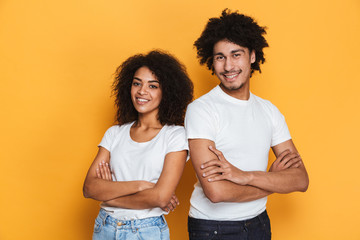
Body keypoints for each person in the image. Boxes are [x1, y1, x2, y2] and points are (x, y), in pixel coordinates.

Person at [185, 9, 309, 239]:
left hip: (259, 222)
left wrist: (246, 176)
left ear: (252, 55)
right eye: (220, 57)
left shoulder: (269, 111)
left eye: (236, 54)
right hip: (214, 228)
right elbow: (216, 191)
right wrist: (273, 181)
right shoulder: (201, 110)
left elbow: (301, 179)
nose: (228, 66)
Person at [83, 50, 193, 240]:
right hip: (105, 227)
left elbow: (160, 198)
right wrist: (142, 185)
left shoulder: (175, 136)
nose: (142, 91)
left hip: (145, 231)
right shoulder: (115, 133)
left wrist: (109, 195)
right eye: (137, 83)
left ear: (167, 91)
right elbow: (89, 188)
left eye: (153, 86)